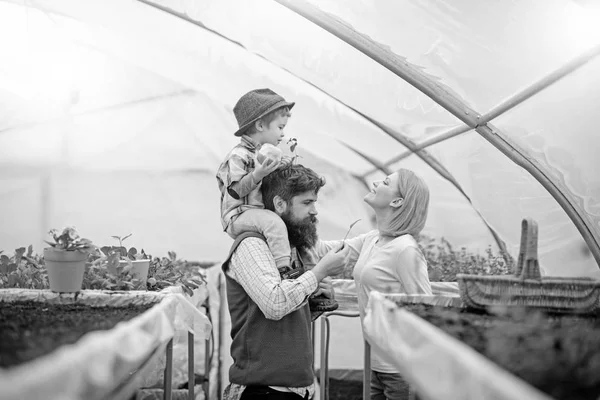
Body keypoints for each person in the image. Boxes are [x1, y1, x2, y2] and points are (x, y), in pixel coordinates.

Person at [221, 163, 351, 400]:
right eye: (307, 202)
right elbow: (275, 304)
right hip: (264, 391)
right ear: (280, 204)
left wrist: (315, 295)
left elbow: (284, 319)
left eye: (315, 202)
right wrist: (318, 273)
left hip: (296, 388)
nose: (315, 211)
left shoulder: (291, 249)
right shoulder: (251, 244)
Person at [313, 168, 432, 400]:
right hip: (374, 361)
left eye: (386, 182)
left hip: (401, 370)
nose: (377, 182)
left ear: (397, 201)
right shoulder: (373, 239)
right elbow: (322, 250)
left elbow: (426, 309)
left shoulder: (405, 249)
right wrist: (289, 218)